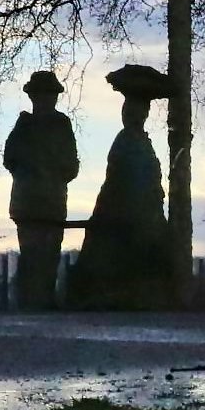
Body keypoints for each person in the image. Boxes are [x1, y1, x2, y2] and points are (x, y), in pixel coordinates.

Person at [72, 64, 173, 309]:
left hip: (136, 210)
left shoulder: (137, 140)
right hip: (125, 211)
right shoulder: (127, 140)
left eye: (140, 111)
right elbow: (127, 178)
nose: (136, 115)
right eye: (133, 111)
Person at [3, 71, 78, 310]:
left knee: (44, 256)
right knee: (36, 256)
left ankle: (39, 301)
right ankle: (34, 302)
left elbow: (70, 166)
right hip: (35, 204)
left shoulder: (56, 125)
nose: (46, 100)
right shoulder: (28, 125)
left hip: (45, 204)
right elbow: (10, 159)